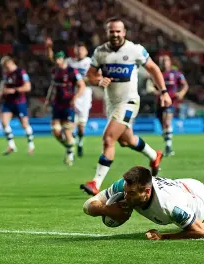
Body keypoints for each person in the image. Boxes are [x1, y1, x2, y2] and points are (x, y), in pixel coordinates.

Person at [80, 17, 172, 196]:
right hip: (112, 103)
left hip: (129, 101)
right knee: (125, 140)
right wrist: (98, 79)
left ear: (124, 32)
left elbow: (153, 68)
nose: (115, 34)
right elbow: (88, 76)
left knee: (108, 139)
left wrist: (164, 91)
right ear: (107, 33)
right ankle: (154, 156)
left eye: (118, 31)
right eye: (111, 31)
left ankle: (95, 183)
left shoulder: (135, 50)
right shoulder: (100, 52)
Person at [82, 166, 204, 240]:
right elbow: (88, 204)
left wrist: (163, 237)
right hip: (187, 185)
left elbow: (202, 233)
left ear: (147, 192)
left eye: (131, 194)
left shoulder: (169, 205)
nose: (125, 196)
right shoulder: (124, 186)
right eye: (125, 191)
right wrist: (106, 210)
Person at [46, 40, 93, 157]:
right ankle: (70, 144)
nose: (79, 52)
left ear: (86, 51)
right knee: (68, 124)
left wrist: (87, 80)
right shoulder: (69, 62)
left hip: (84, 93)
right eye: (77, 49)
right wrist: (49, 48)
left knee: (81, 125)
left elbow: (97, 77)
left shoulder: (90, 62)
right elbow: (54, 60)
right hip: (70, 94)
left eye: (81, 49)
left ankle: (79, 142)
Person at [0, 56, 35, 155]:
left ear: (10, 63)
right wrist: (1, 92)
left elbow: (28, 87)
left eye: (5, 66)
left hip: (19, 102)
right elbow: (4, 84)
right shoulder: (6, 74)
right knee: (4, 122)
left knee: (24, 124)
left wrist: (14, 90)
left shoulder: (21, 73)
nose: (5, 69)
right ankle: (11, 145)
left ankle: (31, 146)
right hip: (8, 102)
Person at [157, 55, 189, 156]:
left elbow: (185, 85)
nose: (164, 62)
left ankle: (169, 146)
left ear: (170, 62)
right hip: (159, 102)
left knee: (167, 122)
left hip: (171, 102)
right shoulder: (157, 73)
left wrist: (181, 93)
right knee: (163, 126)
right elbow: (151, 86)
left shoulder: (176, 74)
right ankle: (167, 143)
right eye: (162, 60)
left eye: (166, 60)